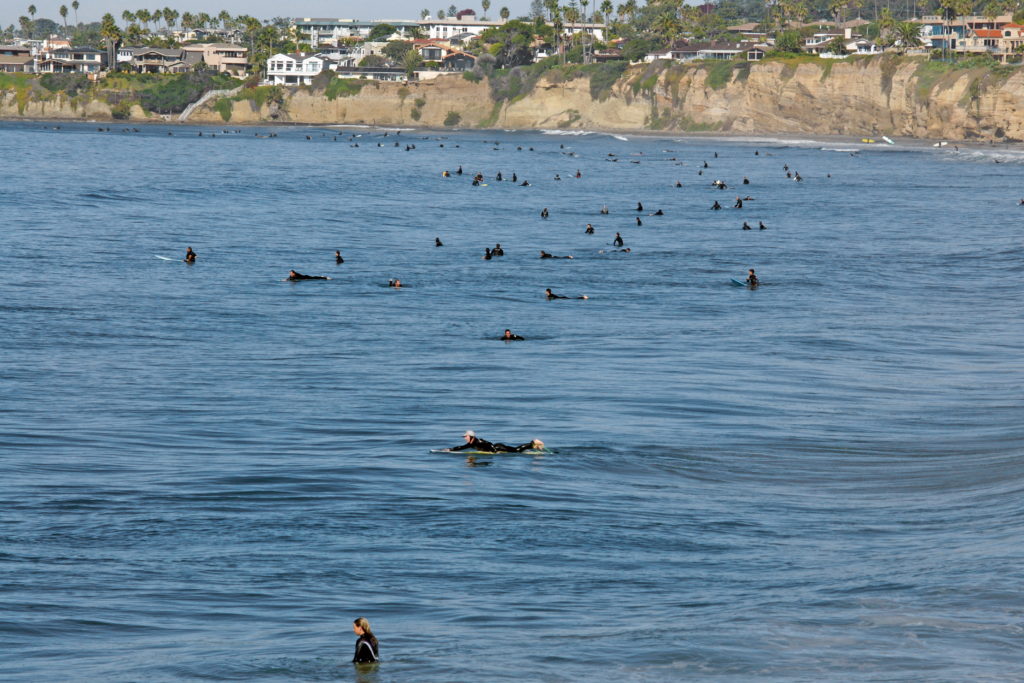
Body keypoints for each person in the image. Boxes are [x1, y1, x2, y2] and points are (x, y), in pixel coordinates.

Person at [450, 430, 543, 453]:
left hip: (498, 447)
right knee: (516, 450)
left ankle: (532, 443)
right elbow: (462, 447)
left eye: (465, 436)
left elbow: (488, 443)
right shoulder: (472, 442)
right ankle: (533, 446)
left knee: (517, 451)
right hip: (497, 447)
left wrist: (493, 451)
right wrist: (450, 449)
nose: (464, 438)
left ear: (470, 436)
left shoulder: (476, 442)